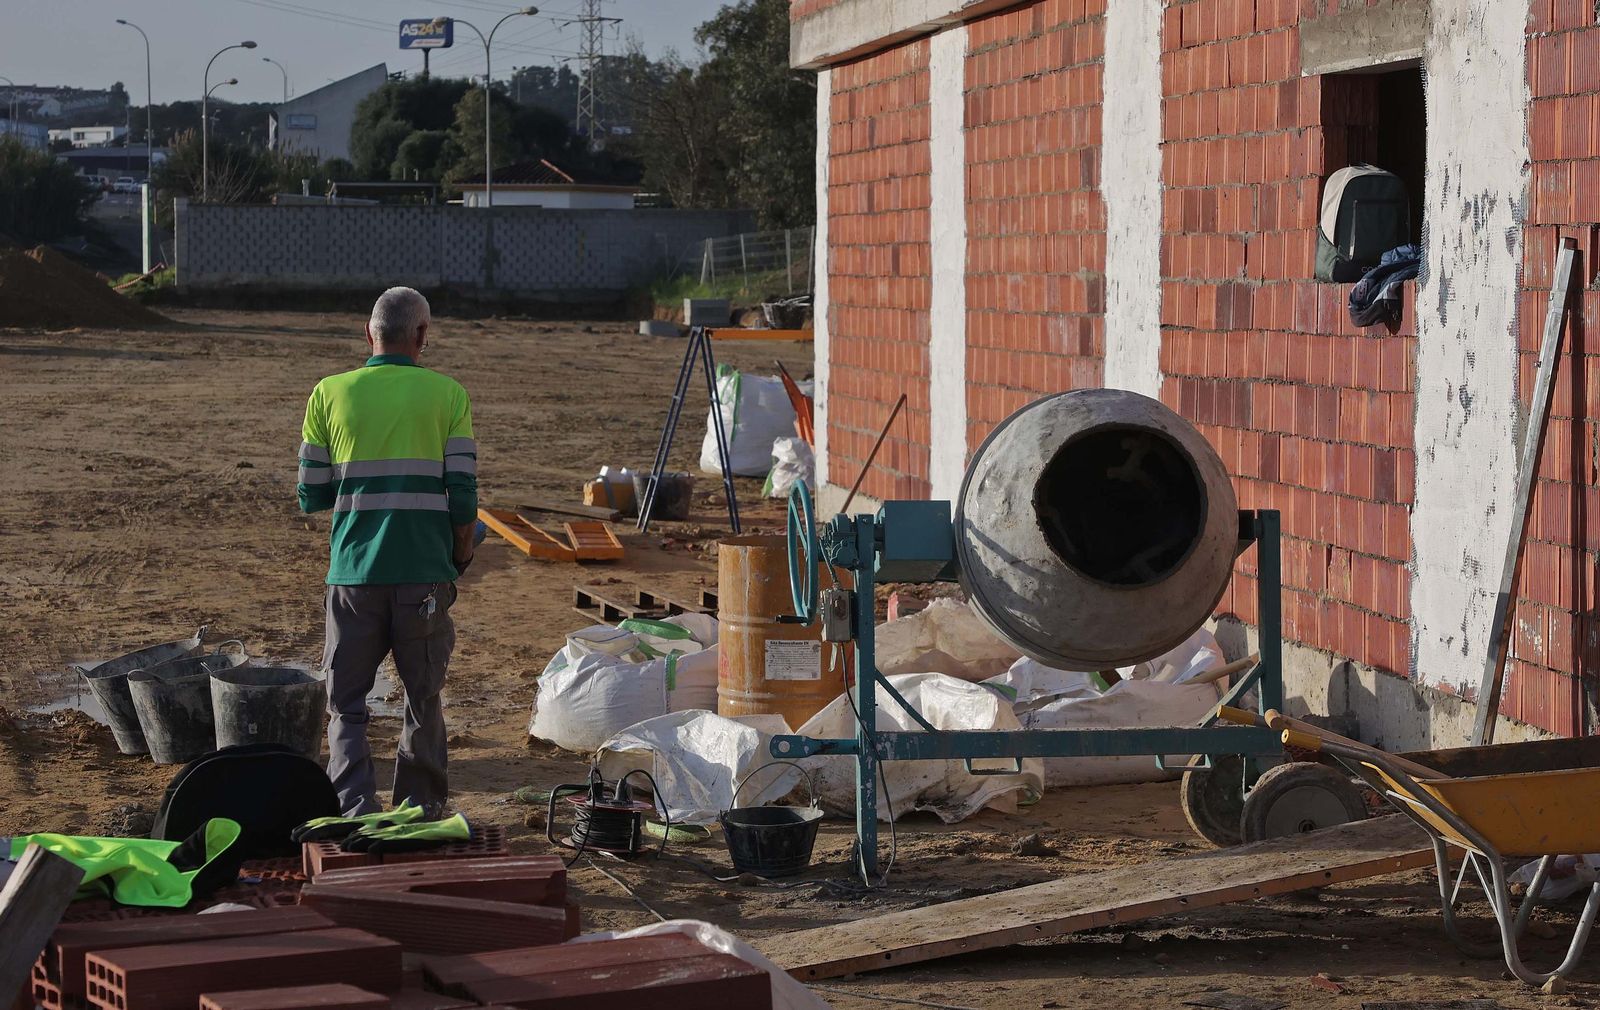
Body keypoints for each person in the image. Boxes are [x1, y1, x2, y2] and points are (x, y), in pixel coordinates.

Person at [296, 287, 477, 817]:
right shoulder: (449, 395)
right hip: (423, 577)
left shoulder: (328, 393)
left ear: (368, 334)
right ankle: (417, 814)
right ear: (421, 335)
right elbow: (463, 497)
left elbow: (311, 494)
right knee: (422, 700)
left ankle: (352, 808)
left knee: (346, 705)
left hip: (353, 577)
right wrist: (459, 558)